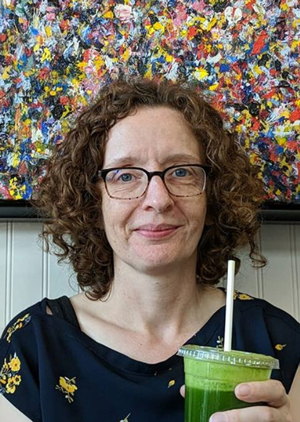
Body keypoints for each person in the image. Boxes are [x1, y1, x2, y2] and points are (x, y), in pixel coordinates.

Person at [0, 78, 299, 422]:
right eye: (125, 176)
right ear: (92, 198)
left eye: (182, 171)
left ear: (211, 194)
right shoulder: (34, 346)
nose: (158, 200)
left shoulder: (276, 337)